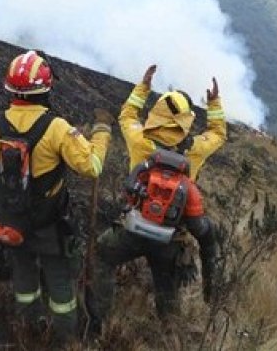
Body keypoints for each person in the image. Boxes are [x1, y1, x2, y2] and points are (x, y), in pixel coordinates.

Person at [0, 50, 111, 344]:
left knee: (23, 277)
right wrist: (101, 133)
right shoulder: (56, 128)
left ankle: (29, 330)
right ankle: (63, 340)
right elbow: (92, 167)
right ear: (45, 89)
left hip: (10, 223)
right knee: (60, 284)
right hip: (50, 227)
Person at [92, 64, 225, 324]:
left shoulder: (139, 140)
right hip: (171, 237)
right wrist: (214, 104)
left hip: (131, 229)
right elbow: (218, 134)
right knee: (167, 290)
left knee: (102, 257)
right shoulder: (195, 150)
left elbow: (127, 115)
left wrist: (143, 87)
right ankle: (169, 333)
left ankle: (99, 322)